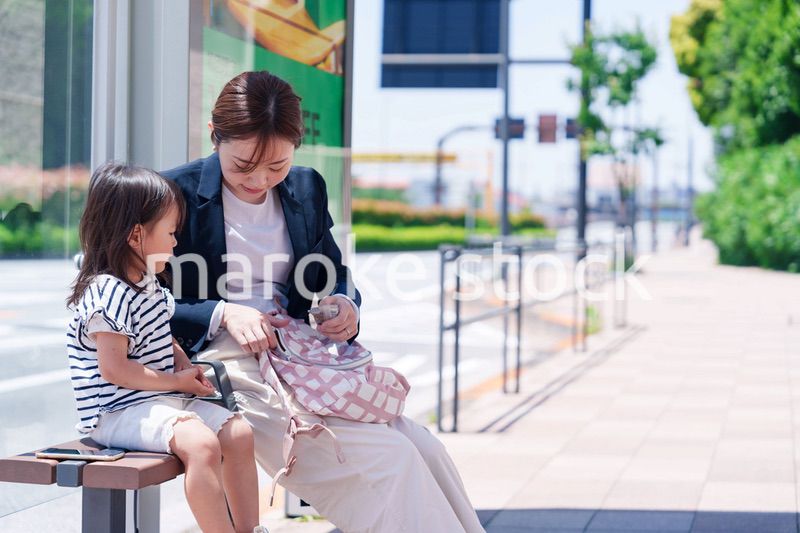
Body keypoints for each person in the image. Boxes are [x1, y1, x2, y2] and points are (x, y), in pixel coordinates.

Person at [163, 70, 485, 532]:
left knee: (424, 448)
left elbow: (331, 272)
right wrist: (223, 311)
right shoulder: (172, 191)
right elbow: (132, 297)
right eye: (243, 166)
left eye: (277, 166)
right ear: (215, 137)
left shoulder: (306, 187)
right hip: (223, 362)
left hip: (302, 355)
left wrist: (342, 304)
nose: (260, 180)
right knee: (389, 461)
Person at [66, 162, 267, 533]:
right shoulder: (107, 291)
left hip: (159, 403)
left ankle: (249, 530)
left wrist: (184, 367)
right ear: (136, 235)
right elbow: (115, 370)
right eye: (171, 232)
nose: (176, 242)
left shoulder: (148, 283)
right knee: (202, 445)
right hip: (116, 411)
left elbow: (163, 336)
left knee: (238, 433)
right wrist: (178, 384)